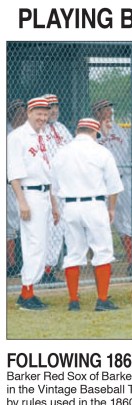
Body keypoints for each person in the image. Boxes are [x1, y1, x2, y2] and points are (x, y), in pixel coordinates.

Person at [51, 118, 124, 311]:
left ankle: (73, 301)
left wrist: (56, 208)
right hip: (94, 205)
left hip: (70, 206)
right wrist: (112, 208)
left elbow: (54, 187)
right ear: (95, 132)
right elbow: (114, 186)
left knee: (74, 253)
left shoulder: (61, 153)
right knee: (102, 251)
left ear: (77, 131)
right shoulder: (101, 151)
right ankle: (102, 300)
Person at [7, 97, 60, 310]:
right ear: (29, 112)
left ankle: (28, 291)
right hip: (29, 194)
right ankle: (26, 293)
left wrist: (54, 205)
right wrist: (22, 202)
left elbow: (48, 173)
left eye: (45, 114)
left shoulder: (44, 136)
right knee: (34, 245)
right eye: (38, 113)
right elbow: (14, 174)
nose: (42, 117)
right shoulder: (17, 136)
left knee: (42, 244)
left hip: (45, 194)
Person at [93, 99, 132, 276]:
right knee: (99, 223)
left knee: (128, 223)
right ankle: (100, 265)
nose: (110, 111)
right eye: (105, 109)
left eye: (110, 108)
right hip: (100, 183)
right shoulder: (91, 131)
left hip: (121, 180)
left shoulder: (118, 129)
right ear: (97, 112)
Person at [41, 94, 73, 283]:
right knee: (44, 230)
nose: (53, 109)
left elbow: (73, 149)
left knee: (58, 229)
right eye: (49, 106)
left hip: (62, 188)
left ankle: (48, 271)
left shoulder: (60, 128)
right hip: (45, 187)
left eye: (55, 106)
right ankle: (40, 271)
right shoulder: (38, 130)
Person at [6, 99, 27, 277]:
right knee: (10, 224)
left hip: (26, 184)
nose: (22, 116)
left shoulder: (28, 132)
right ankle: (12, 264)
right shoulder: (7, 131)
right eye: (19, 113)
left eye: (24, 113)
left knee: (24, 222)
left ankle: (22, 262)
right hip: (8, 183)